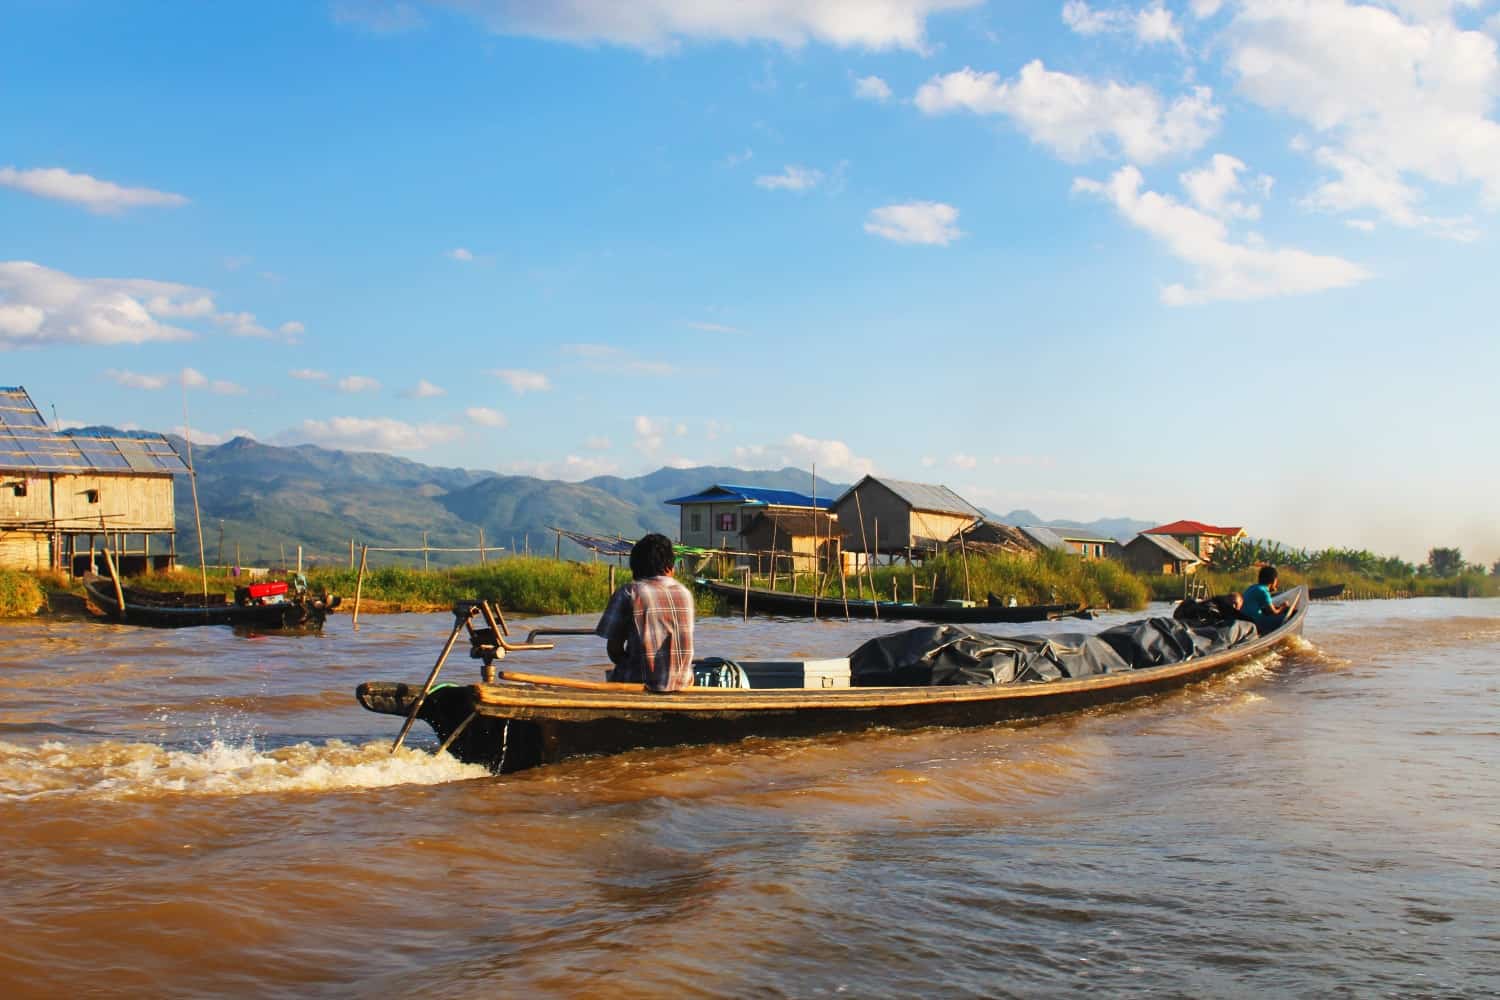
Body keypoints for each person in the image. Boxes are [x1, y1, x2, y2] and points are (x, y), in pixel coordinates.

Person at [595, 533, 695, 691]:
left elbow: (614, 650)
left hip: (639, 685)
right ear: (670, 566)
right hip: (682, 684)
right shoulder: (684, 593)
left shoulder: (629, 592)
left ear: (636, 567)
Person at [1241, 565, 1299, 634]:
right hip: (1256, 622)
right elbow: (1274, 612)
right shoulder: (1264, 591)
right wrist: (1283, 607)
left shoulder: (1253, 587)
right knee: (1291, 615)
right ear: (1274, 580)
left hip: (1244, 620)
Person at [1173, 591, 1243, 628]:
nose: (1233, 606)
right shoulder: (1212, 608)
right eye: (1231, 602)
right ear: (1226, 600)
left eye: (1236, 604)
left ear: (1239, 607)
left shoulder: (1235, 618)